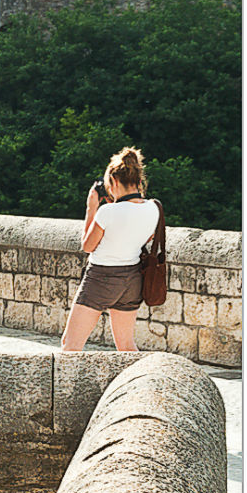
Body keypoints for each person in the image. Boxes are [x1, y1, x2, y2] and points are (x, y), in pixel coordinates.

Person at [60, 147, 159, 352]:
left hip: (102, 277)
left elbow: (88, 246)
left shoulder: (107, 211)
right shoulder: (154, 207)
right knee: (126, 346)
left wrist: (91, 208)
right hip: (133, 279)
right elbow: (147, 237)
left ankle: (65, 385)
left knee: (70, 345)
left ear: (113, 181)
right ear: (139, 182)